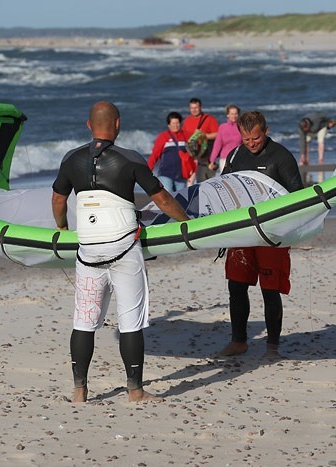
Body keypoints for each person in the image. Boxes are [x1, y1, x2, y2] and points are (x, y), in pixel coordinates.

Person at [51, 102, 189, 403]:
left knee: (84, 320)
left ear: (89, 125)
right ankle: (135, 390)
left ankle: (79, 391)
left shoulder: (70, 159)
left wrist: (61, 229)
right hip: (124, 247)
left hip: (87, 249)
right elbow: (163, 199)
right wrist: (187, 223)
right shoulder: (130, 158)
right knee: (130, 320)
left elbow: (59, 199)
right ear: (118, 125)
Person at [219, 110, 304, 358]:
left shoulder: (281, 157)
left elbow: (297, 195)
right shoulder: (236, 154)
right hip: (243, 233)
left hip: (272, 235)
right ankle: (239, 341)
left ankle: (272, 347)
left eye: (255, 139)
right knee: (236, 286)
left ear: (266, 131)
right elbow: (223, 187)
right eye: (246, 140)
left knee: (270, 289)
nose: (251, 144)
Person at [147, 111, 194, 192]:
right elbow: (155, 155)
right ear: (169, 125)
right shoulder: (163, 137)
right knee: (169, 196)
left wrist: (193, 170)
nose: (176, 126)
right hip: (166, 173)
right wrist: (147, 170)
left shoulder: (187, 136)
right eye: (173, 123)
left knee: (180, 198)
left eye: (177, 123)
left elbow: (193, 155)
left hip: (182, 175)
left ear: (181, 123)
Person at [182, 97, 219, 182]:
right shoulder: (187, 120)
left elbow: (217, 134)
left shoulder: (209, 119)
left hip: (205, 154)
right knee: (190, 181)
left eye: (196, 108)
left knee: (207, 180)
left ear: (200, 107)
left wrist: (205, 135)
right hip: (192, 154)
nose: (194, 110)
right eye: (191, 108)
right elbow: (184, 136)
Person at [208, 104, 241, 173]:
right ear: (227, 115)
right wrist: (212, 161)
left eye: (236, 114)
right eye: (232, 114)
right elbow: (217, 145)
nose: (234, 116)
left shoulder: (242, 127)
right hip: (225, 159)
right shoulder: (222, 127)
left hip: (239, 159)